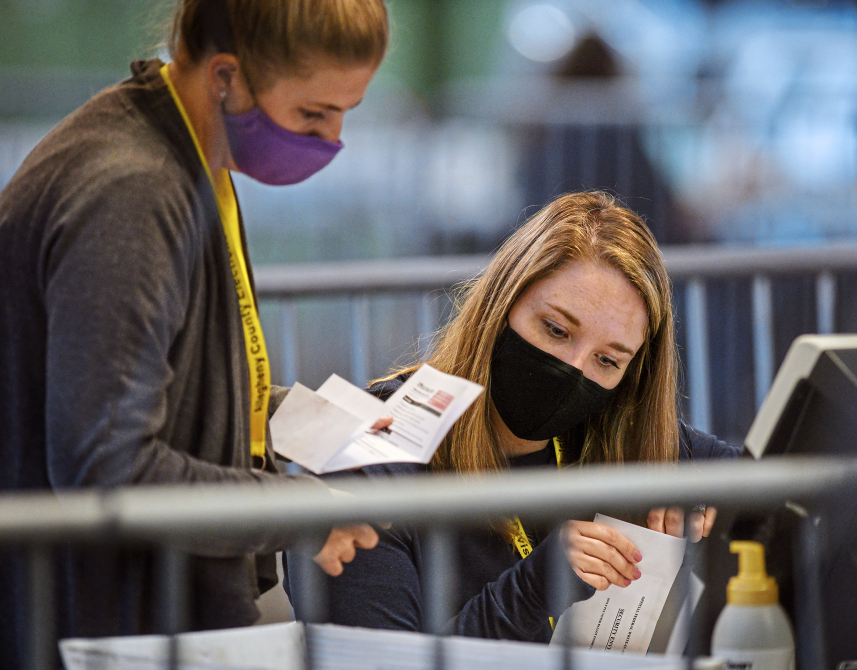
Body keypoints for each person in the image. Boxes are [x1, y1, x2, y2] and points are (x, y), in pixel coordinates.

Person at [0, 0, 388, 664]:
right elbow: (106, 463)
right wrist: (298, 512)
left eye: (344, 115)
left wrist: (320, 424)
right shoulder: (134, 190)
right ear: (226, 76)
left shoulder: (190, 151)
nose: (331, 142)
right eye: (313, 112)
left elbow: (169, 385)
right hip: (94, 622)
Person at [285, 191, 740, 642]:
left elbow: (769, 475)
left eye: (608, 361)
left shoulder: (616, 430)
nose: (574, 369)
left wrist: (727, 516)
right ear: (500, 308)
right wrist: (532, 590)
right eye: (556, 330)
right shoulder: (364, 460)